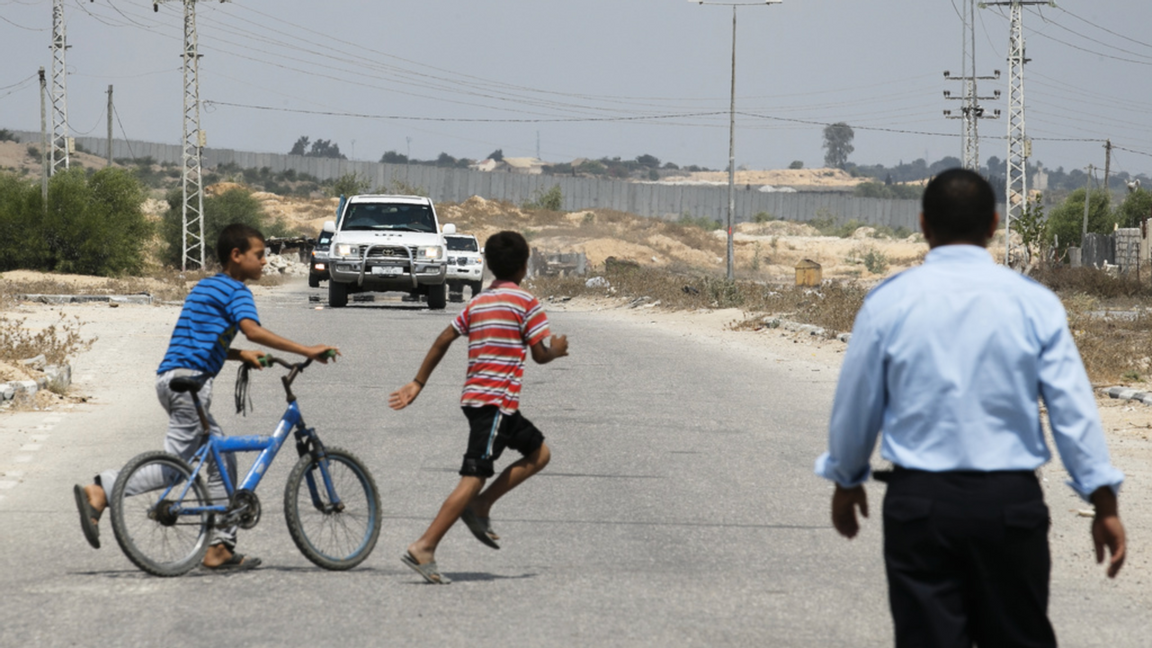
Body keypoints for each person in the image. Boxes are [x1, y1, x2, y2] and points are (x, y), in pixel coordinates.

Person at [815, 168, 1126, 647]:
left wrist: (846, 477)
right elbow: (1071, 407)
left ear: (923, 224)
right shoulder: (1034, 304)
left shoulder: (889, 303)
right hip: (1010, 509)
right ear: (994, 225)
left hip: (920, 509)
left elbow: (858, 403)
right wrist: (1102, 499)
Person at [73, 223, 339, 571]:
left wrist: (237, 354)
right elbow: (253, 330)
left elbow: (199, 340)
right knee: (174, 469)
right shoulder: (238, 292)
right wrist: (308, 349)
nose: (264, 262)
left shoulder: (206, 287)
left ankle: (219, 546)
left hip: (172, 380)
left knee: (221, 459)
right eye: (259, 255)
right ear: (236, 255)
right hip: (192, 385)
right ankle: (102, 491)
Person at [389, 230, 569, 585]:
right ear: (524, 266)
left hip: (478, 401)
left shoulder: (478, 303)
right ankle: (425, 545)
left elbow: (444, 338)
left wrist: (418, 382)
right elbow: (539, 355)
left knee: (540, 453)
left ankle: (482, 506)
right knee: (474, 476)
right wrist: (557, 350)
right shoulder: (527, 303)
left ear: (487, 265)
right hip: (496, 404)